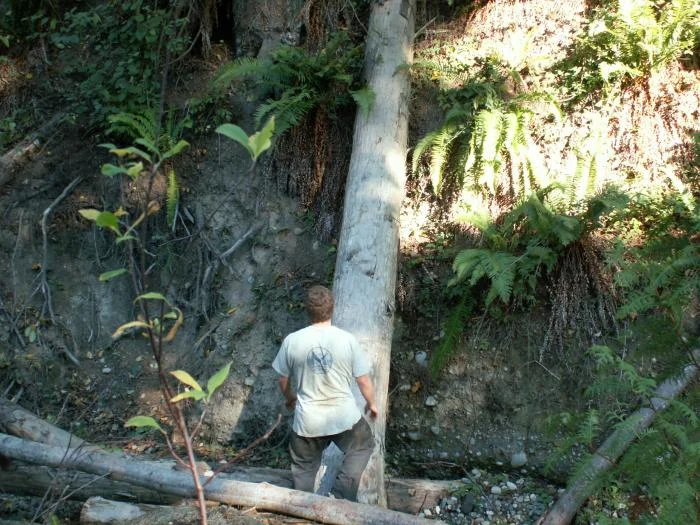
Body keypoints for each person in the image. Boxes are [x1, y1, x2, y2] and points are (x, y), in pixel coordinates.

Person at [272, 285, 378, 501]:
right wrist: (371, 403)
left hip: (308, 421)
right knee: (363, 444)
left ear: (307, 310)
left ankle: (301, 509)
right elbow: (363, 379)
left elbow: (282, 379)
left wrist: (290, 398)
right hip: (343, 417)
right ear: (332, 308)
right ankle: (341, 497)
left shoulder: (292, 340)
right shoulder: (347, 340)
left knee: (303, 468)